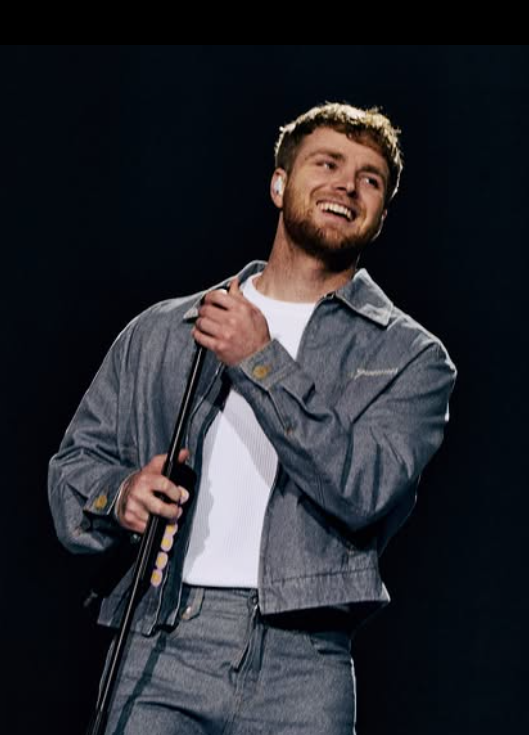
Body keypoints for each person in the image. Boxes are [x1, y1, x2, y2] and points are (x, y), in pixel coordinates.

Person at [48, 101, 457, 734]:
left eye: (370, 179)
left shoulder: (409, 358)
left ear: (381, 213)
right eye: (327, 164)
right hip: (161, 644)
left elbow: (362, 490)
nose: (347, 185)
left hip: (304, 663)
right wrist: (121, 493)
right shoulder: (164, 331)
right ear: (279, 184)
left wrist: (259, 360)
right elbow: (73, 468)